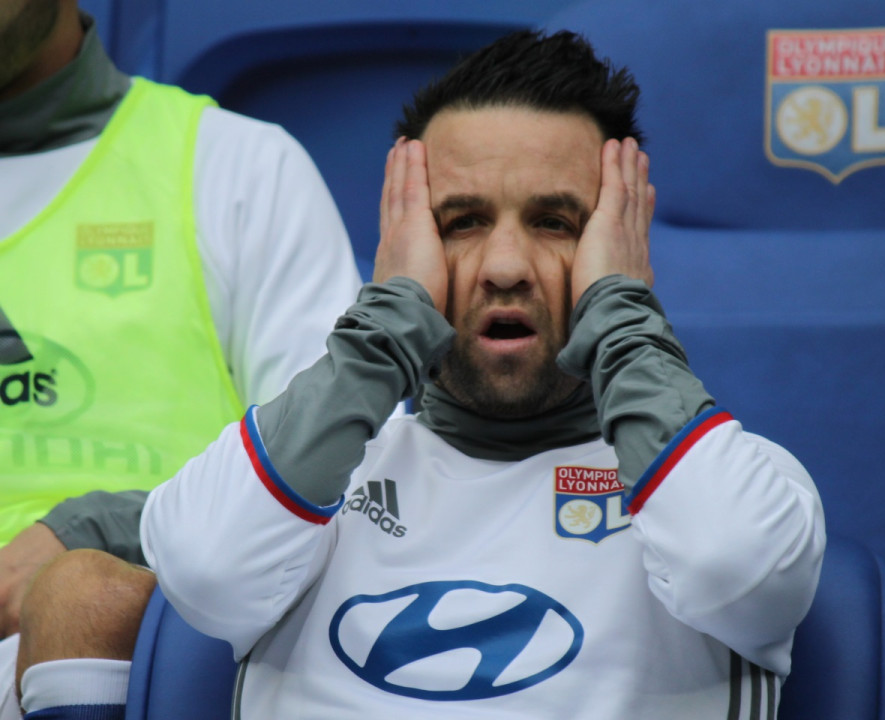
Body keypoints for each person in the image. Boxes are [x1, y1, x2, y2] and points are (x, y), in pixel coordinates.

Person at [13, 29, 825, 719]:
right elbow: (201, 566)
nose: (505, 265)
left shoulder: (738, 485)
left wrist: (622, 319)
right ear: (406, 248)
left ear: (624, 247)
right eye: (461, 223)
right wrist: (378, 333)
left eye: (556, 223)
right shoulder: (307, 494)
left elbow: (736, 561)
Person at [0, 0, 361, 713]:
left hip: (124, 639)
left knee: (87, 601)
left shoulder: (240, 167)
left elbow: (337, 477)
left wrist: (91, 530)